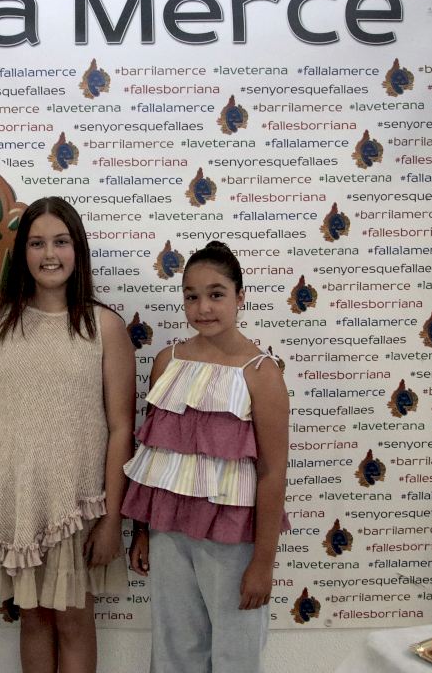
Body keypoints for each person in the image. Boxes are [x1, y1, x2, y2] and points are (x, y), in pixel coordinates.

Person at [0, 196, 135, 673]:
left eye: (60, 242)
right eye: (37, 243)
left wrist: (112, 519)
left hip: (77, 509)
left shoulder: (104, 327)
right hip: (15, 503)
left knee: (74, 622)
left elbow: (122, 427)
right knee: (33, 620)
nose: (49, 254)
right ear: (23, 253)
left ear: (77, 249)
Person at [122, 241, 290, 673]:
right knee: (174, 647)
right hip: (168, 532)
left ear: (240, 296)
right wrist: (142, 531)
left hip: (233, 539)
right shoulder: (167, 362)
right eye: (192, 296)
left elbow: (272, 473)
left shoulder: (262, 373)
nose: (203, 308)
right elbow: (153, 455)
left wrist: (263, 563)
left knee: (236, 651)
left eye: (216, 294)